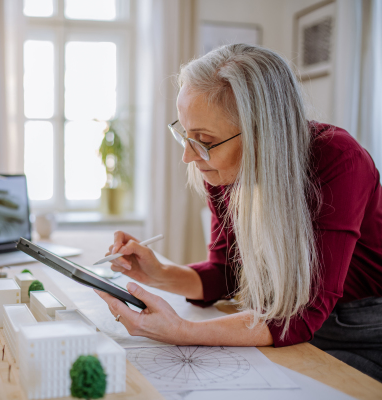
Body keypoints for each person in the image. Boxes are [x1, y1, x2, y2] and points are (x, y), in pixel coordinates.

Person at [94, 44, 382, 382]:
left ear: (262, 134)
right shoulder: (223, 169)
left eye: (202, 140)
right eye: (184, 134)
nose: (188, 156)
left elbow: (304, 314)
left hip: (362, 327)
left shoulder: (339, 160)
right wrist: (158, 273)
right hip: (288, 326)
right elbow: (225, 274)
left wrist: (181, 330)